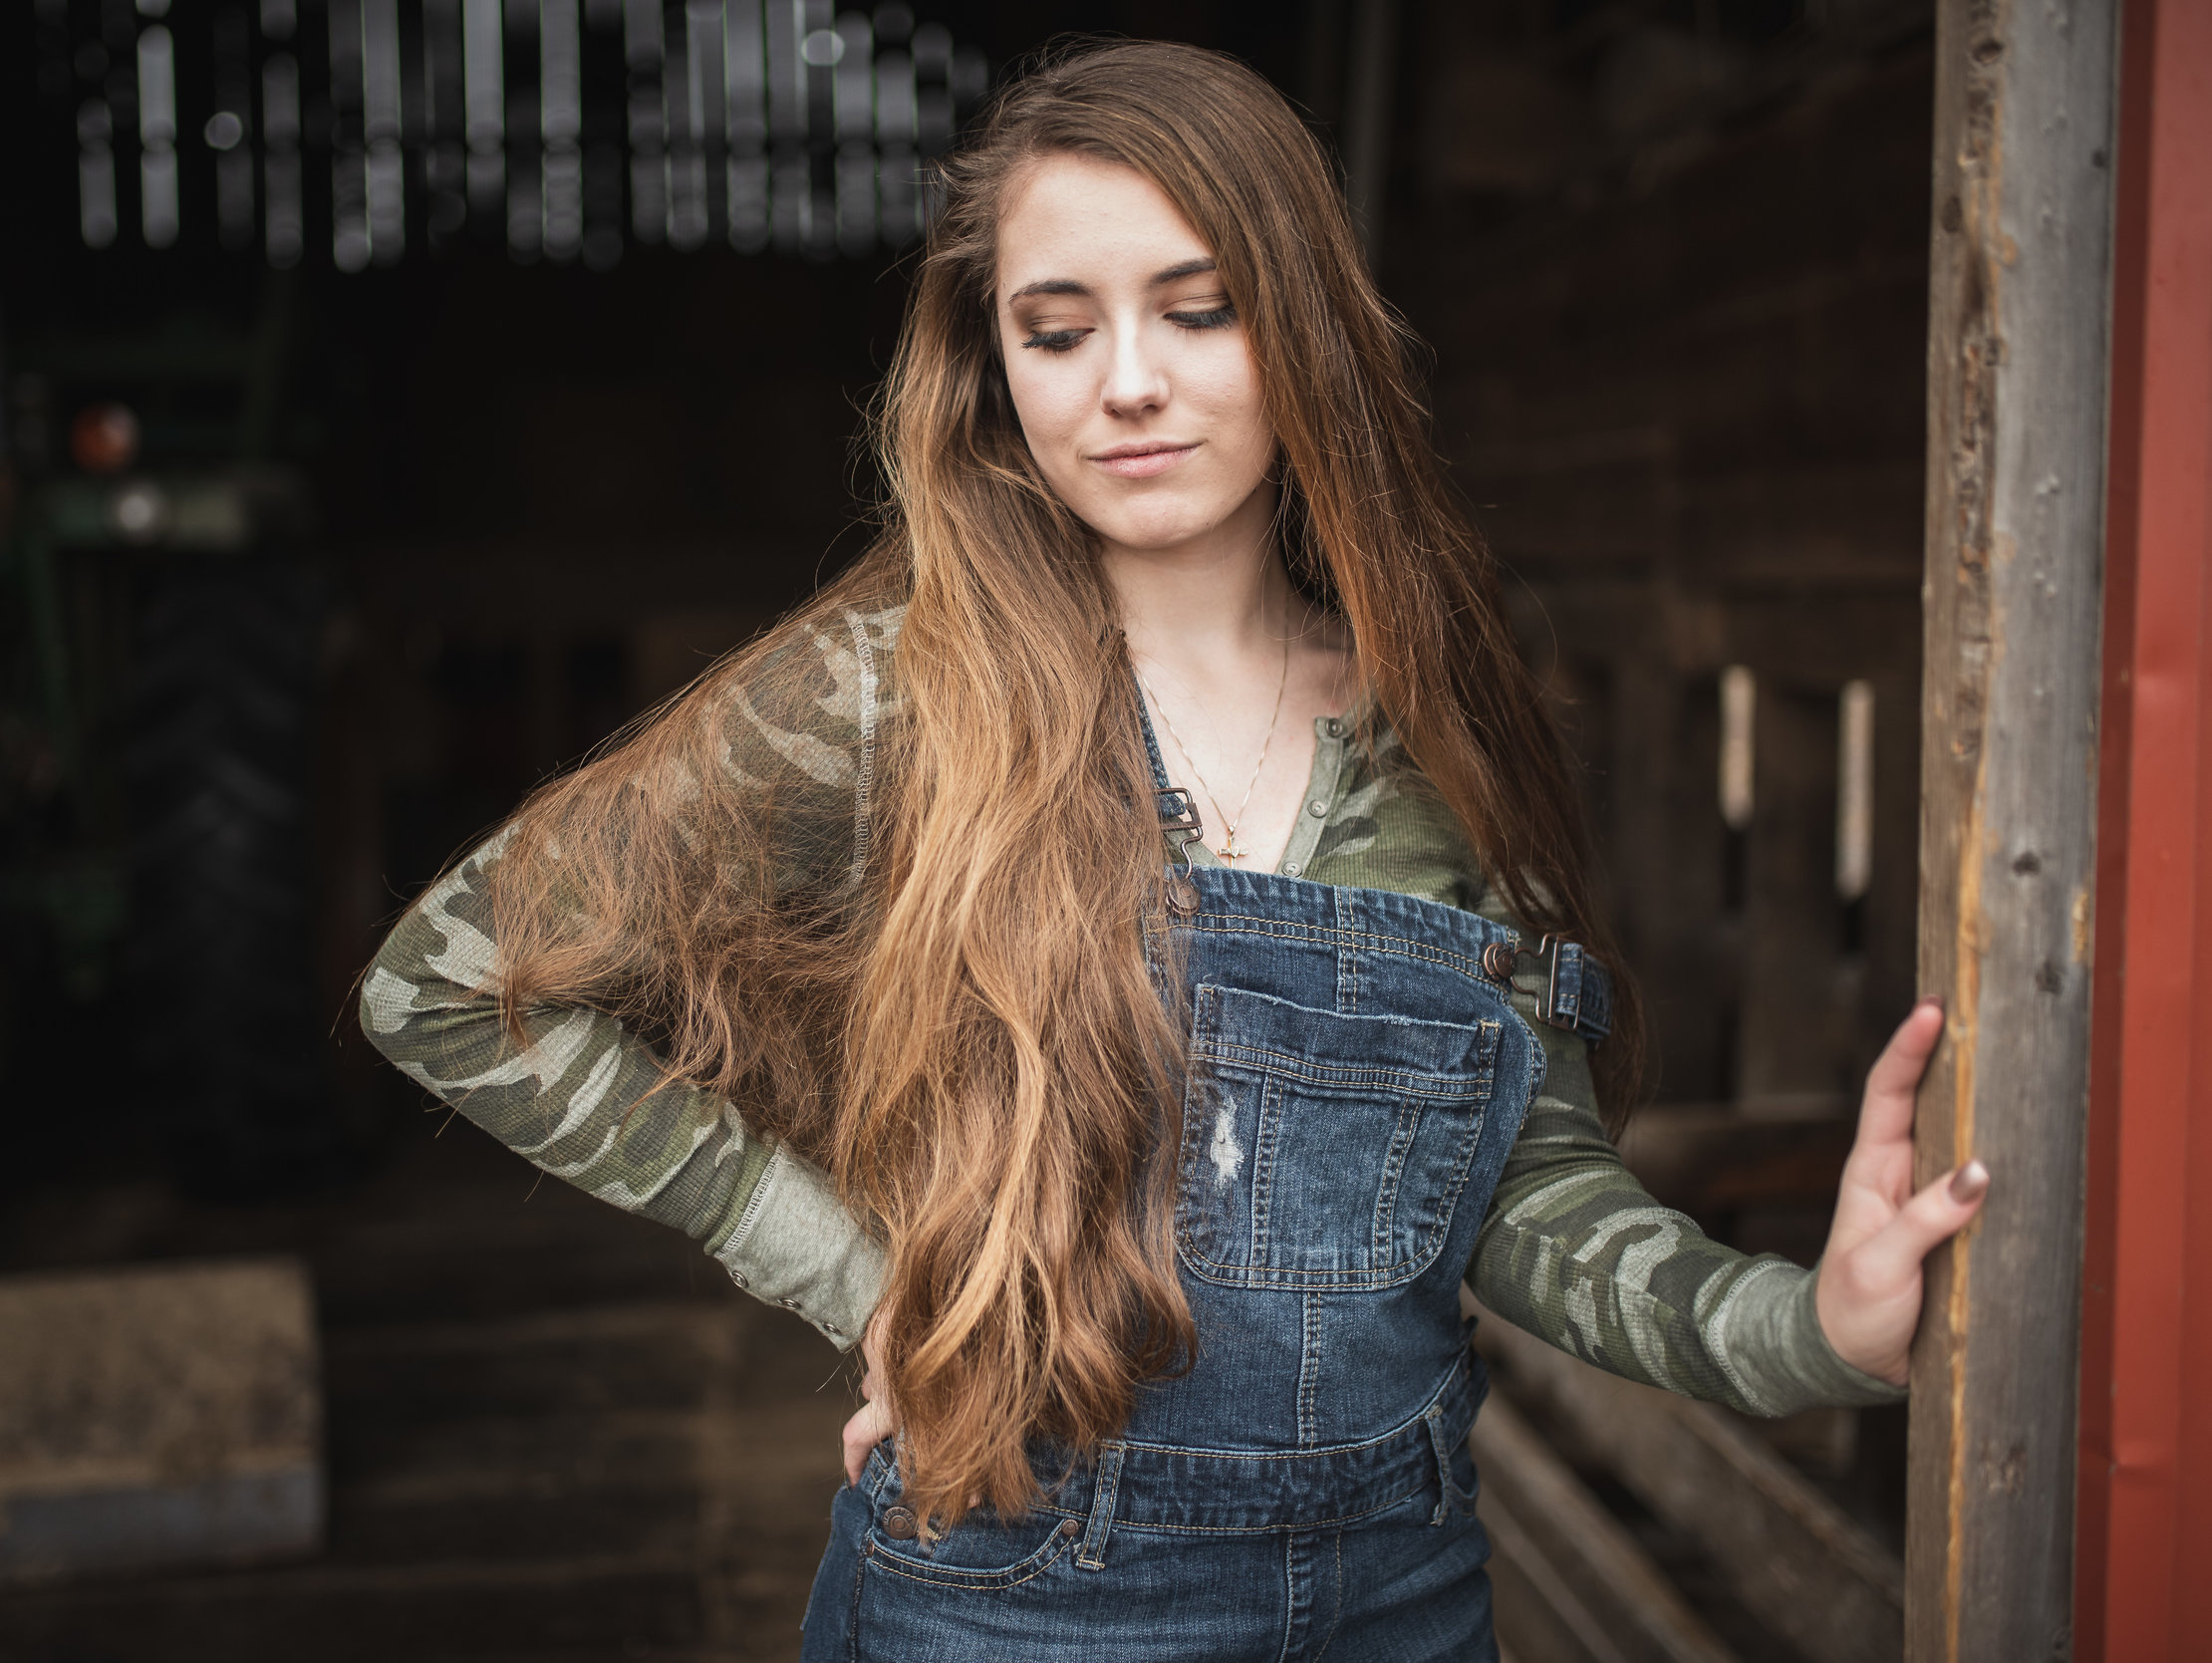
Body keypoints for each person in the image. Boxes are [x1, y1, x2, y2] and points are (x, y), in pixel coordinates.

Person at [361, 40, 1988, 1661]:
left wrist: (1805, 1326)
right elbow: (447, 984)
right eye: (1056, 330)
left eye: (1198, 310)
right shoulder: (885, 696)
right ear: (995, 371)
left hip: (1405, 1599)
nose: (1125, 380)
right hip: (1010, 1593)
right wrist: (854, 1275)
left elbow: (1525, 1194)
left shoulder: (1444, 728)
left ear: (1306, 331)